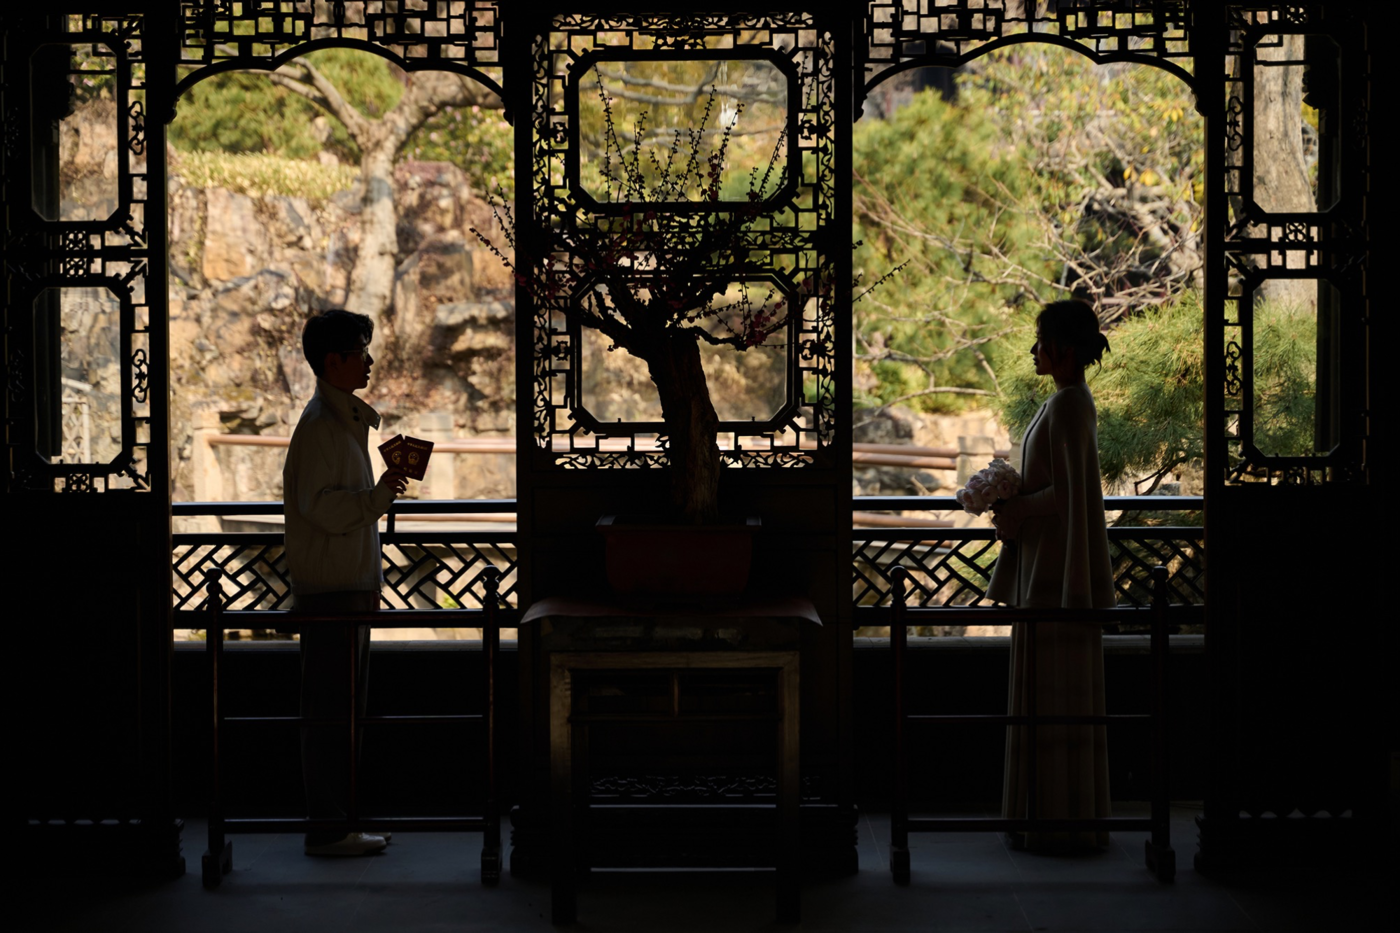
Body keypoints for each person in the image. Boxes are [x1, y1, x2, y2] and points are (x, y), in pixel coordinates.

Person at [986, 299, 1116, 851]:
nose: (1033, 350)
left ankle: (1052, 820)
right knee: (1054, 697)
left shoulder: (1068, 405)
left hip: (1054, 568)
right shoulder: (1068, 400)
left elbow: (1067, 494)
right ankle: (1060, 817)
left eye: (1041, 340)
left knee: (1050, 695)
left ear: (1062, 348)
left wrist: (1016, 506)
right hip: (1051, 561)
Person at [283, 309, 407, 856]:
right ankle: (329, 827)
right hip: (331, 589)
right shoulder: (321, 426)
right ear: (333, 361)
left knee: (341, 710)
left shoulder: (339, 420)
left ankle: (338, 820)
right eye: (360, 351)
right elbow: (322, 509)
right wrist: (377, 498)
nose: (369, 361)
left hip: (344, 584)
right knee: (331, 712)